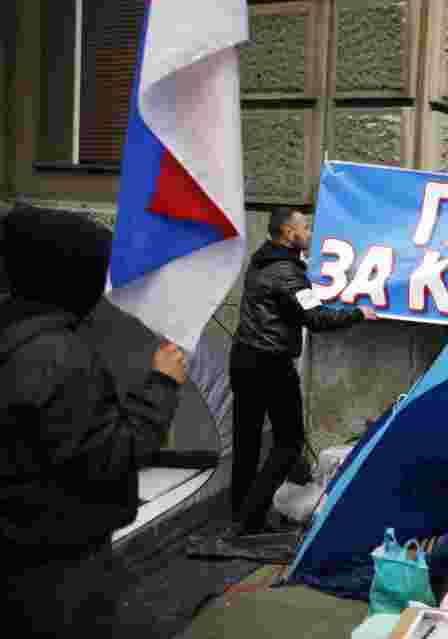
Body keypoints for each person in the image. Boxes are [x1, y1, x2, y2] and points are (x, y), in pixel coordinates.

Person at [0, 205, 186, 634]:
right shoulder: (58, 357)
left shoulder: (20, 337)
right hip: (55, 560)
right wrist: (162, 383)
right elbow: (113, 456)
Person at [229, 207, 378, 536]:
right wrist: (358, 314)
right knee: (289, 441)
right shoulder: (287, 272)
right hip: (270, 364)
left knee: (247, 442)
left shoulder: (261, 260)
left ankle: (238, 515)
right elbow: (315, 318)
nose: (310, 233)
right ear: (288, 233)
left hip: (243, 358)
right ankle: (251, 518)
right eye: (305, 228)